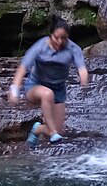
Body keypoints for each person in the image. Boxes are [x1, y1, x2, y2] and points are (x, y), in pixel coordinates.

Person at [8, 15, 89, 149]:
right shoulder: (40, 46)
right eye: (56, 37)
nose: (59, 41)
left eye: (63, 38)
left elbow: (82, 68)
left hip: (58, 89)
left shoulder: (73, 48)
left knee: (60, 131)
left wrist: (84, 80)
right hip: (35, 86)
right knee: (47, 94)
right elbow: (23, 67)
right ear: (50, 35)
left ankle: (38, 129)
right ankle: (52, 132)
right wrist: (14, 89)